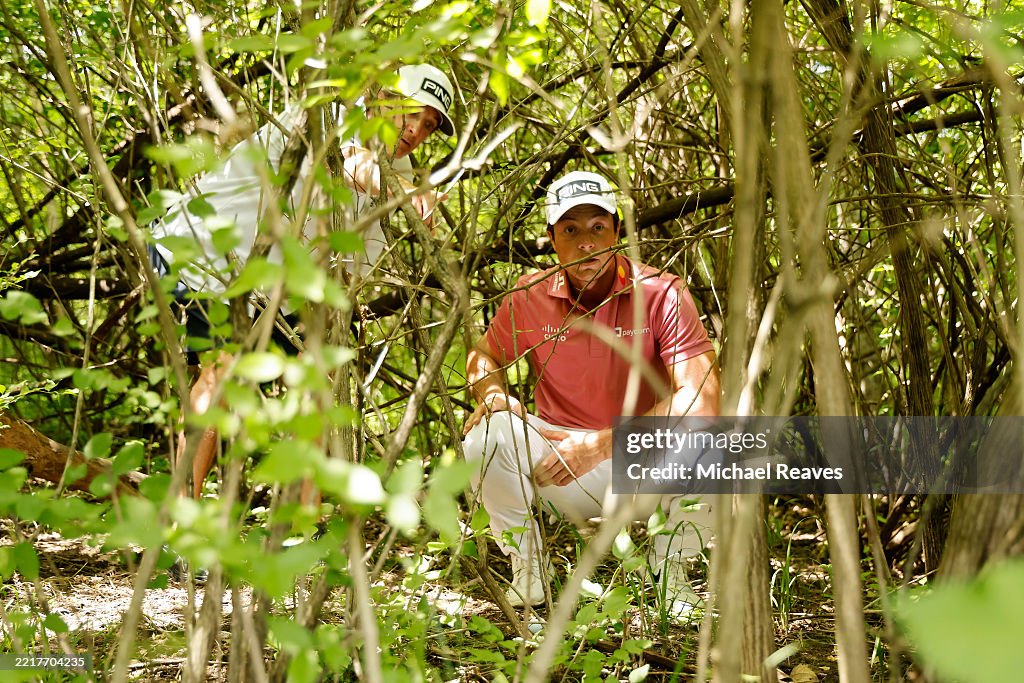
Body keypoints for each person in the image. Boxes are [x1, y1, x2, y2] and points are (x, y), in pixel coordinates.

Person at [151, 63, 458, 500]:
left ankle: (297, 539)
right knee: (220, 371)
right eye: (411, 112)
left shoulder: (399, 170)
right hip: (203, 249)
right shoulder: (331, 115)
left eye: (429, 125)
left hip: (271, 280)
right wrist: (409, 196)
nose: (416, 130)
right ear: (384, 97)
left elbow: (347, 265)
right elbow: (352, 166)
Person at [462, 170, 720, 614]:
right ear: (552, 239)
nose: (586, 242)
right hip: (559, 465)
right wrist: (490, 394)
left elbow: (703, 396)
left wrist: (602, 443)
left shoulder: (661, 292)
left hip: (643, 462)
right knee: (487, 435)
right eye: (571, 230)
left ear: (617, 231)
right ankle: (529, 566)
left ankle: (669, 571)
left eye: (598, 227)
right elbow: (482, 356)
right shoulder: (529, 296)